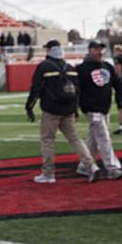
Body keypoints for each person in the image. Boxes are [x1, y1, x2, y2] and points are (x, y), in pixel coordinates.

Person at [26, 39, 100, 183]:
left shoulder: (44, 66)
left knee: (47, 140)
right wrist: (76, 109)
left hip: (51, 110)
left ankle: (48, 174)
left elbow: (35, 88)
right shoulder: (70, 67)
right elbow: (78, 91)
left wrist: (29, 106)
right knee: (75, 139)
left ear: (49, 50)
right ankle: (91, 166)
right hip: (69, 109)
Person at [75, 42, 122, 179]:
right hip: (91, 108)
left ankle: (84, 166)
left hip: (104, 108)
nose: (99, 52)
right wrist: (75, 107)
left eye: (101, 49)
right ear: (89, 50)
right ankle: (112, 168)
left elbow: (118, 82)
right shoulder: (82, 69)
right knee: (104, 138)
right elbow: (77, 90)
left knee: (94, 139)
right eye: (96, 49)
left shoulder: (107, 66)